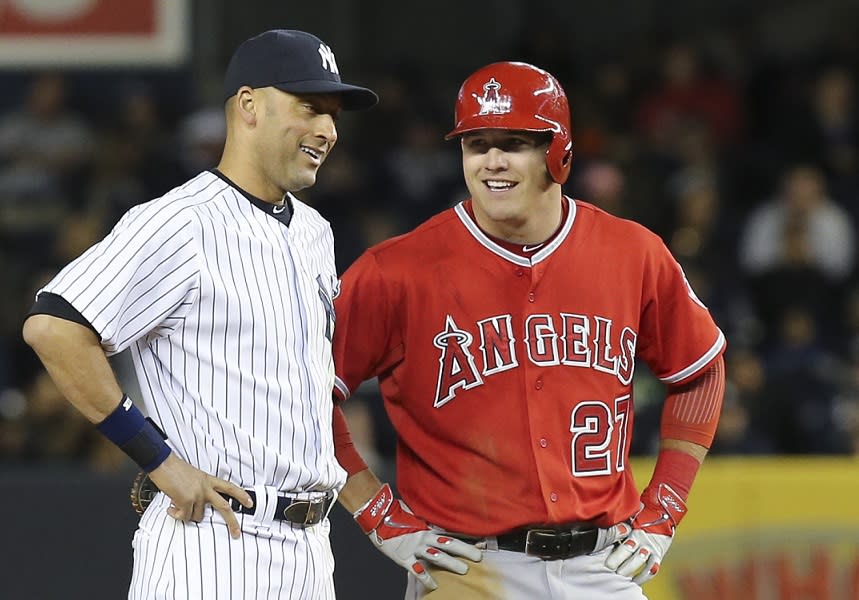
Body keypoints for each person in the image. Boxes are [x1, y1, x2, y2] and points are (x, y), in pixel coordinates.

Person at [330, 61, 726, 599]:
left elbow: (700, 373)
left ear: (557, 152)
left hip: (603, 563)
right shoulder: (394, 271)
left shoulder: (632, 253)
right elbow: (305, 397)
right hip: (470, 567)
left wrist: (666, 506)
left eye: (514, 143)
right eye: (476, 144)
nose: (492, 161)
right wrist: (377, 513)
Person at [22, 29, 377, 599]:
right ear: (248, 106)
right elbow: (53, 327)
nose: (328, 130)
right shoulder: (180, 221)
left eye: (334, 115)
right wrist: (158, 459)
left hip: (311, 548)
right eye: (310, 107)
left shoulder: (316, 232)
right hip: (214, 541)